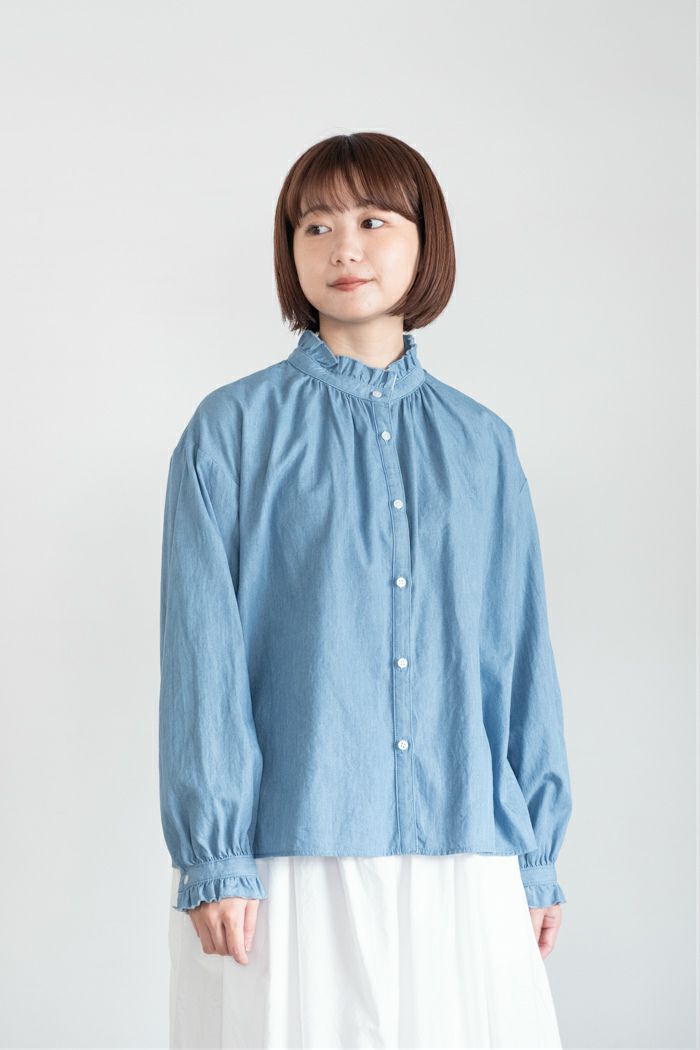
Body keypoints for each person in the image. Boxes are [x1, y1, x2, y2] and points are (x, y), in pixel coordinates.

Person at [159, 130, 574, 1049]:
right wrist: (215, 855)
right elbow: (203, 659)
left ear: (426, 241)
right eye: (316, 226)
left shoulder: (483, 444)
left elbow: (516, 656)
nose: (344, 247)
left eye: (374, 220)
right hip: (292, 856)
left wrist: (536, 857)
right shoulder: (229, 432)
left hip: (468, 849)